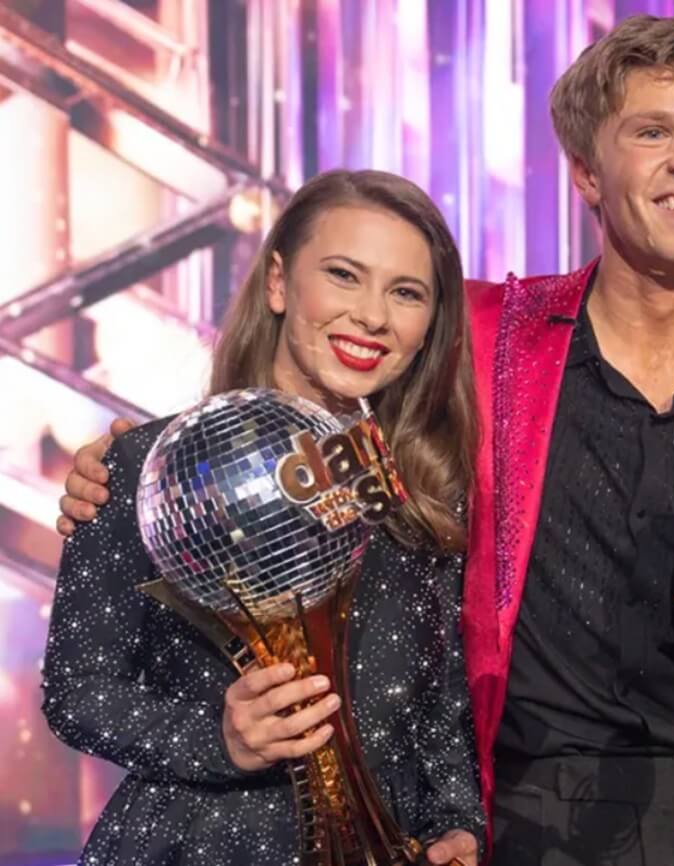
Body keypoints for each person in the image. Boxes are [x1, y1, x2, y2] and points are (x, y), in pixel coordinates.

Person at [57, 15, 674, 866]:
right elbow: (298, 400)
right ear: (587, 172)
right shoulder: (479, 337)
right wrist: (132, 466)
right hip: (499, 810)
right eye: (653, 132)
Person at [42, 170, 484, 866]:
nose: (372, 315)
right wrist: (219, 739)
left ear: (430, 325)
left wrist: (458, 824)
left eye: (406, 293)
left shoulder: (423, 497)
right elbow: (77, 692)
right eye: (343, 275)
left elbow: (436, 709)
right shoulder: (144, 468)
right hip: (191, 847)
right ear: (279, 283)